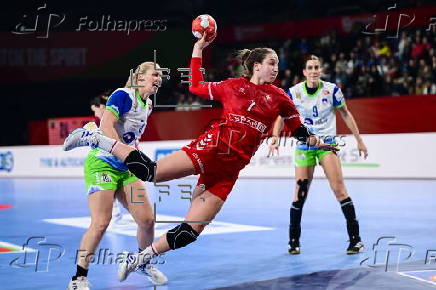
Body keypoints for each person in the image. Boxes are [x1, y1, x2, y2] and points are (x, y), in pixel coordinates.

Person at [63, 34, 336, 283]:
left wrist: (317, 141)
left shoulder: (280, 97)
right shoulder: (231, 86)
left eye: (277, 63)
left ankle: (141, 259)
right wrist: (197, 48)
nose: (276, 68)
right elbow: (195, 85)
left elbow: (298, 129)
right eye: (271, 63)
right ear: (256, 66)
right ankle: (96, 139)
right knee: (152, 173)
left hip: (229, 170)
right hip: (211, 148)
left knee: (191, 231)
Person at [67, 62, 168, 290]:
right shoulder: (123, 95)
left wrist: (133, 156)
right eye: (155, 74)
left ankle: (142, 262)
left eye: (160, 75)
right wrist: (124, 153)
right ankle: (78, 278)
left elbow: (132, 137)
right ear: (140, 77)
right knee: (101, 222)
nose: (159, 78)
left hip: (126, 168)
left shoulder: (148, 104)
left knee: (147, 220)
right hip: (102, 164)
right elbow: (105, 126)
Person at [268, 55, 368, 255]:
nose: (313, 71)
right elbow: (281, 116)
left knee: (339, 190)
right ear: (304, 72)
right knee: (299, 194)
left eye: (316, 67)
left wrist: (359, 140)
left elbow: (346, 114)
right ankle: (293, 242)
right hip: (305, 146)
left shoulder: (332, 91)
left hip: (327, 145)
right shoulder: (294, 93)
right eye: (310, 68)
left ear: (320, 70)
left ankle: (355, 240)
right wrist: (275, 137)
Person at [89, 92, 123, 223]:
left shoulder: (114, 120)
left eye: (95, 110)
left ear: (102, 107)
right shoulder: (100, 123)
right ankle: (114, 211)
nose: (95, 114)